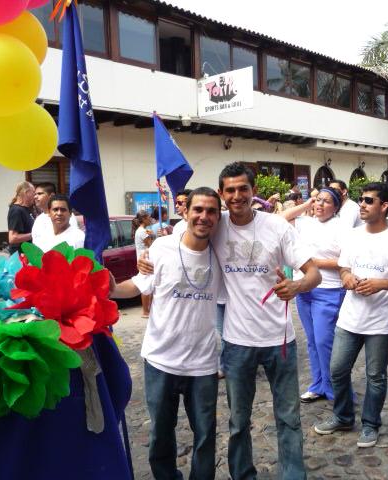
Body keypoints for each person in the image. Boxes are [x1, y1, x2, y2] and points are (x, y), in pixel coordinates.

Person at [138, 162, 321, 478]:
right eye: (230, 190)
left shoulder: (277, 227)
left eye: (243, 189)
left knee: (289, 417)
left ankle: (293, 475)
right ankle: (242, 474)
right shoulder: (214, 222)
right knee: (238, 421)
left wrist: (297, 285)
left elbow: (314, 272)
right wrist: (147, 258)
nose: (237, 196)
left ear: (254, 192)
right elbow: (174, 243)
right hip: (236, 343)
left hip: (280, 341)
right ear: (222, 194)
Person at [112, 187, 223, 480]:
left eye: (211, 211)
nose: (204, 216)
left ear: (218, 217)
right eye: (198, 209)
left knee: (205, 435)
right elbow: (137, 286)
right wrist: (109, 288)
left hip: (203, 364)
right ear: (185, 212)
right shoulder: (161, 249)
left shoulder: (221, 253)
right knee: (161, 434)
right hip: (161, 360)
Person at [314, 182, 388, 449]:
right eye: (361, 199)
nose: (362, 204)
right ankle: (344, 416)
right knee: (337, 369)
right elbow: (343, 267)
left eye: (369, 200)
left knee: (376, 377)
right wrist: (347, 277)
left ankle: (371, 424)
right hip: (349, 318)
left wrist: (381, 284)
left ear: (384, 206)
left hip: (380, 323)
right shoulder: (353, 236)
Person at [281, 187, 346, 403]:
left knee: (324, 341)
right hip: (304, 289)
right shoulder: (305, 222)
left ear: (336, 207)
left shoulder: (342, 227)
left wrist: (312, 263)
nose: (320, 204)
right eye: (318, 200)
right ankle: (318, 384)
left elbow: (344, 261)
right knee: (311, 341)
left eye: (326, 202)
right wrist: (306, 205)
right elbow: (281, 218)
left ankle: (335, 388)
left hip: (329, 290)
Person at [133, 210, 154, 319]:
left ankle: (147, 310)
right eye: (148, 217)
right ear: (144, 219)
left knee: (148, 284)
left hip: (145, 260)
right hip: (144, 261)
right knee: (145, 286)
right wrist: (153, 236)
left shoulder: (142, 231)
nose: (150, 219)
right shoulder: (142, 232)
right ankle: (146, 311)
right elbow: (151, 245)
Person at [7, 181, 35, 254]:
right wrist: (35, 234)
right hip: (20, 256)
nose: (35, 196)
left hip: (28, 254)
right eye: (33, 192)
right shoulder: (16, 210)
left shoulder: (27, 209)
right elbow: (13, 238)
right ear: (26, 193)